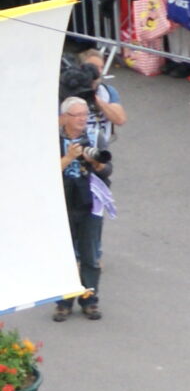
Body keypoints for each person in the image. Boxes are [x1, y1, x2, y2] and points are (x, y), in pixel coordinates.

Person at [55, 95, 109, 323]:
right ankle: (63, 302)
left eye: (85, 115)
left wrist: (96, 162)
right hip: (63, 202)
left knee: (90, 255)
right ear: (64, 118)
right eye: (77, 115)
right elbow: (43, 172)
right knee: (65, 256)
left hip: (89, 202)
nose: (82, 120)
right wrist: (69, 158)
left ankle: (89, 300)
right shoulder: (52, 140)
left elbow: (107, 169)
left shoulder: (94, 137)